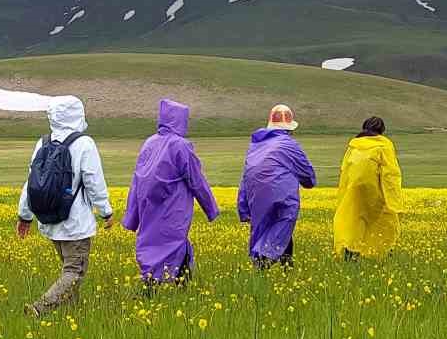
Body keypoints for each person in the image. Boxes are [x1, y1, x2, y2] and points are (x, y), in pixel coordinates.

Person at [16, 96, 113, 316]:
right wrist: (105, 211)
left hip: (49, 220)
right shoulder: (84, 143)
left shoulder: (43, 142)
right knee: (74, 272)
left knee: (68, 271)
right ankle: (39, 309)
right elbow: (93, 180)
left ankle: (73, 315)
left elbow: (31, 182)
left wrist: (24, 216)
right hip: (75, 222)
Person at [122, 98, 219, 283]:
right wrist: (211, 210)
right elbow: (196, 180)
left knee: (151, 246)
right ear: (180, 120)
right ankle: (170, 290)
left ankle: (152, 286)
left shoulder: (149, 144)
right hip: (172, 210)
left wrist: (131, 218)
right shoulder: (180, 145)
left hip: (148, 210)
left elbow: (136, 181)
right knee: (174, 246)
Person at [237, 104, 317, 268]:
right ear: (289, 128)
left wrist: (243, 207)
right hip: (282, 194)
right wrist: (309, 182)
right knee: (283, 224)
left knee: (269, 230)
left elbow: (245, 177)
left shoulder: (255, 146)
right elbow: (308, 175)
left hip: (255, 197)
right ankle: (264, 261)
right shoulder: (289, 145)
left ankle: (284, 267)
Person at [333, 115, 406, 259]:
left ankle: (351, 253)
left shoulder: (354, 145)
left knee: (354, 221)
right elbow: (390, 173)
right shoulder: (384, 145)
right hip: (376, 189)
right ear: (382, 130)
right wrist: (394, 200)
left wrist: (344, 193)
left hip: (353, 190)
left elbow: (345, 169)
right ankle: (382, 253)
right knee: (385, 219)